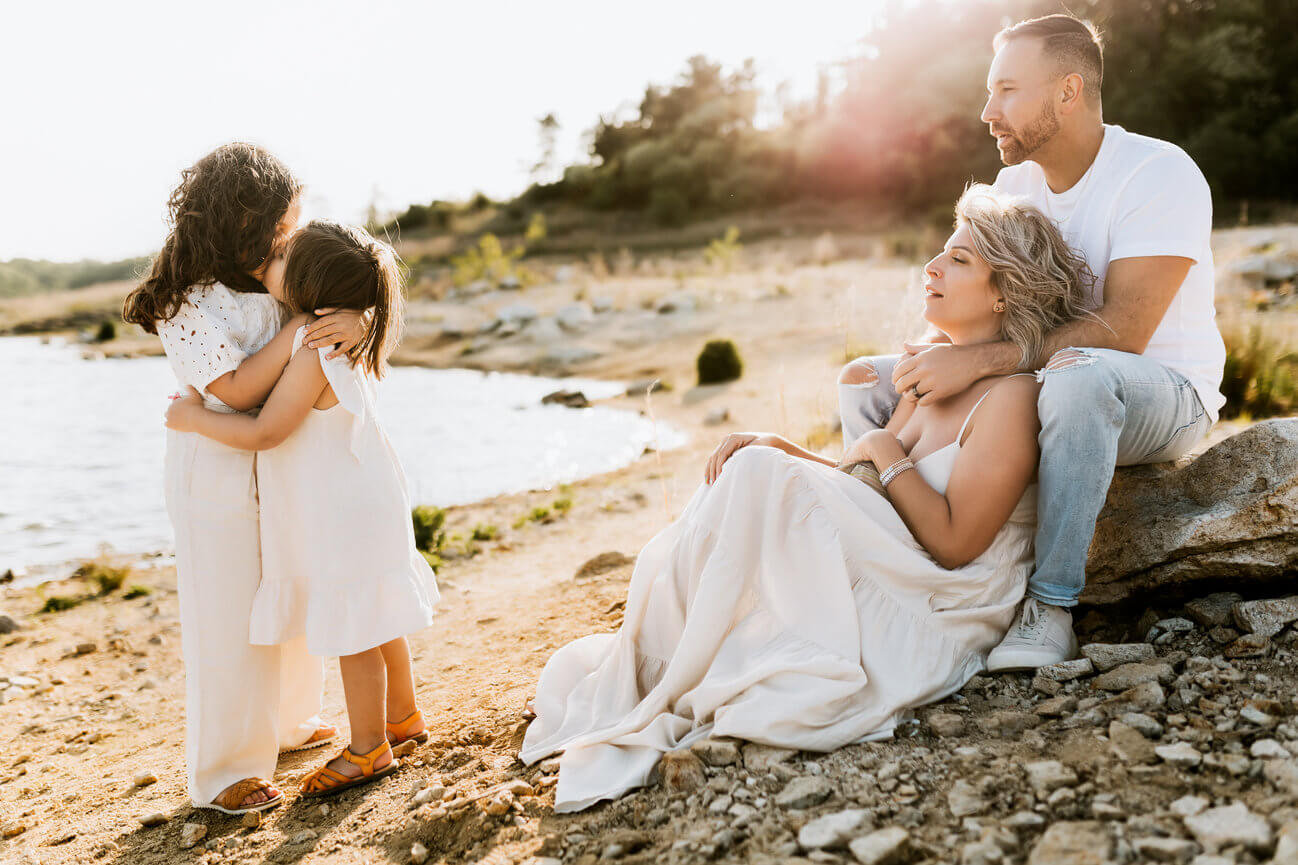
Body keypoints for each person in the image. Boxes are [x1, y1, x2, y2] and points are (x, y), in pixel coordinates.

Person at [520, 185, 1093, 812]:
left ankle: (675, 671)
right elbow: (859, 488)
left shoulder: (1007, 398)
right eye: (941, 252)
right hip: (886, 557)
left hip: (937, 598)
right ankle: (662, 667)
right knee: (754, 465)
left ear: (1005, 291)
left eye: (959, 260)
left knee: (762, 476)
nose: (931, 267)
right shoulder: (932, 374)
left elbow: (955, 546)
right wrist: (787, 448)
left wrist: (881, 448)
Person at [839, 14, 1224, 671]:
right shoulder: (1014, 186)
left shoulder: (1159, 173)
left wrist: (980, 361)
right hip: (1043, 379)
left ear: (1068, 92)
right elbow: (986, 299)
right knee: (870, 379)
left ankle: (1051, 607)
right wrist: (931, 353)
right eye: (990, 92)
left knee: (1079, 376)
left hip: (1159, 394)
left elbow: (1126, 330)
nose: (988, 111)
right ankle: (884, 541)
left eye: (1007, 91)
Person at [122, 143, 367, 814]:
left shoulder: (275, 283)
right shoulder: (186, 301)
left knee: (288, 587)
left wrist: (350, 318)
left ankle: (288, 720)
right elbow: (229, 390)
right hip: (216, 467)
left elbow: (342, 317)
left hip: (283, 459)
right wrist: (298, 333)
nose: (287, 240)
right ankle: (225, 766)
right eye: (279, 227)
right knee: (226, 613)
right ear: (240, 223)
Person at [165, 220, 439, 798]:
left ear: (309, 285)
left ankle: (368, 750)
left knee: (355, 629)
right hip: (369, 498)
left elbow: (265, 429)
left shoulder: (314, 349)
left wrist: (193, 420)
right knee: (377, 612)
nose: (274, 253)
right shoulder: (347, 335)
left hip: (340, 511)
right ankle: (403, 717)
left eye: (285, 253)